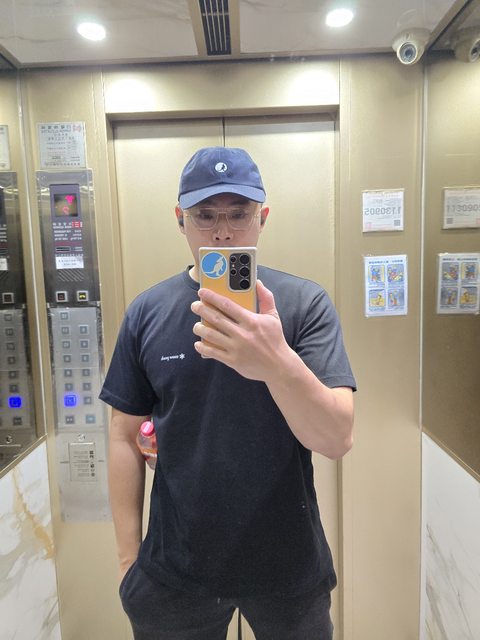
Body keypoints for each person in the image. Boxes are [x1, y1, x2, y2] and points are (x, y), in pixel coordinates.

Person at [100, 146, 356, 640]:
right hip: (175, 570)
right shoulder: (147, 312)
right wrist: (128, 561)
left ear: (262, 218)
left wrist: (277, 362)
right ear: (181, 220)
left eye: (238, 214)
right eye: (205, 215)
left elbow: (336, 438)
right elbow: (123, 435)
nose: (222, 232)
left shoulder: (304, 305)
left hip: (288, 563)